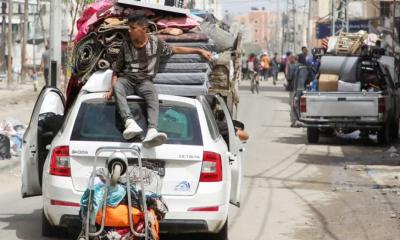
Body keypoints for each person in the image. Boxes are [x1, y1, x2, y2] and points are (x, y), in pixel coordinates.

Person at [106, 11, 212, 148]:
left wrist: (199, 51)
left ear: (143, 29)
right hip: (127, 80)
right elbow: (116, 70)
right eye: (129, 28)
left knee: (152, 96)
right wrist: (112, 88)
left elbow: (176, 49)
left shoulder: (156, 43)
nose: (129, 31)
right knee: (118, 86)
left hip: (145, 82)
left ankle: (152, 131)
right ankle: (129, 122)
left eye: (132, 28)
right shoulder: (125, 44)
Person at [287, 55, 300, 127]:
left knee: (292, 104)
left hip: (293, 88)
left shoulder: (291, 66)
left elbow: (289, 77)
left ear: (294, 59)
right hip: (300, 88)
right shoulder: (301, 66)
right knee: (297, 104)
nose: (289, 59)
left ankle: (293, 121)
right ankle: (298, 121)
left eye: (291, 58)